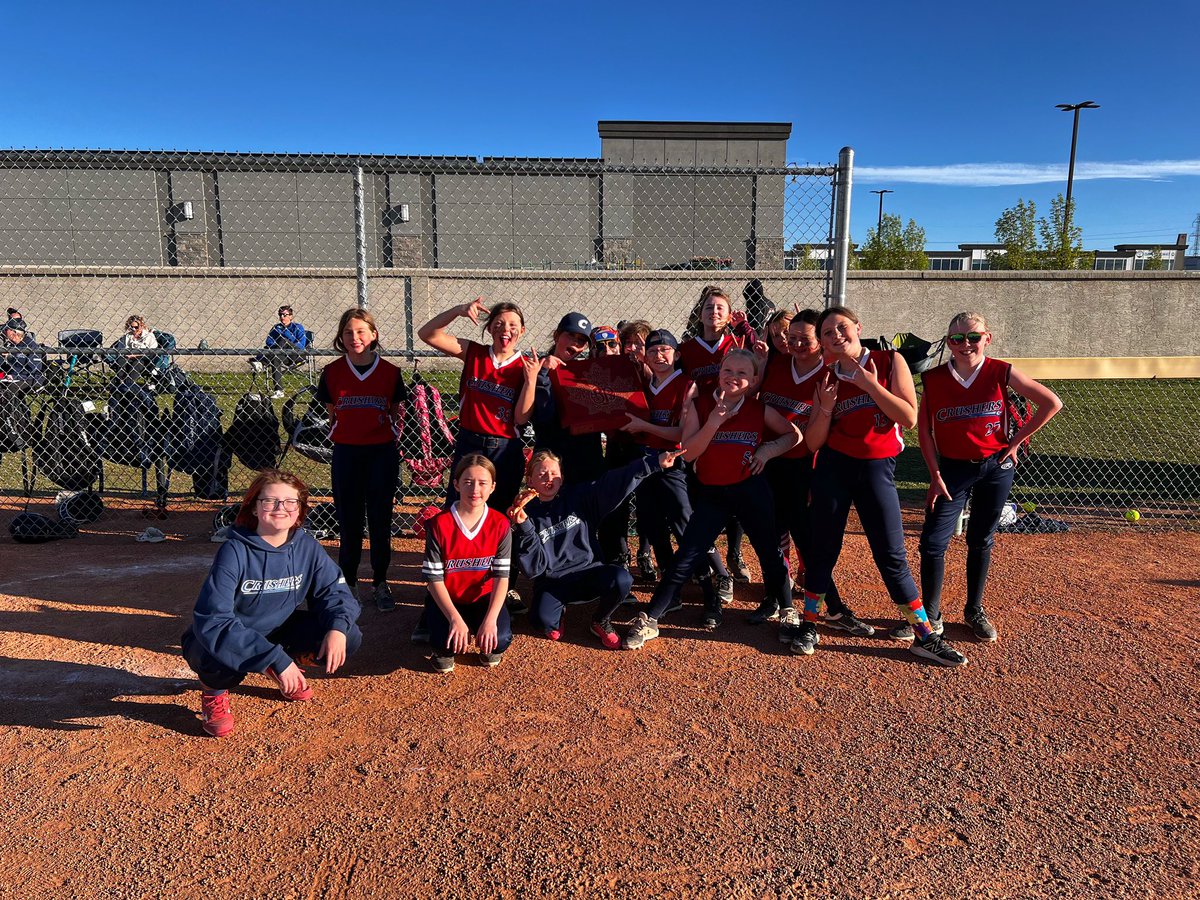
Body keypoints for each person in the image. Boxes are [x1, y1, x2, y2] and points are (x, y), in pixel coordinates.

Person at [798, 306, 968, 666]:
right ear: (823, 342)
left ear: (858, 327)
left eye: (841, 327)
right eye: (828, 333)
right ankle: (809, 622)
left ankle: (924, 635)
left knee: (890, 554)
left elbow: (907, 417)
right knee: (822, 548)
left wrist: (870, 385)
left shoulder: (890, 362)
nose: (836, 336)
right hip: (834, 467)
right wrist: (826, 407)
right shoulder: (826, 378)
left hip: (876, 468)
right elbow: (813, 443)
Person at [894, 311, 1063, 643]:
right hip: (953, 469)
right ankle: (931, 617)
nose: (965, 344)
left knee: (981, 539)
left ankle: (974, 610)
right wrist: (934, 473)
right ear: (948, 343)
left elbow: (1051, 403)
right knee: (932, 544)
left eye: (973, 337)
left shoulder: (1001, 372)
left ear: (988, 338)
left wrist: (1015, 443)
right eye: (956, 339)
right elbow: (925, 432)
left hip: (995, 466)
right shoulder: (935, 378)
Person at [622, 349, 799, 650]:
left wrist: (766, 452)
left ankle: (787, 610)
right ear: (719, 372)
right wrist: (714, 422)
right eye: (728, 370)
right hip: (713, 493)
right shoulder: (701, 405)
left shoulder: (758, 408)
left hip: (750, 489)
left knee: (769, 551)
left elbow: (793, 435)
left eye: (743, 373)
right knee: (688, 552)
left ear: (754, 379)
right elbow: (689, 453)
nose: (734, 377)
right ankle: (650, 617)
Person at [180, 470, 362, 738]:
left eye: (290, 502)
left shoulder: (307, 547)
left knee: (348, 635)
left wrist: (337, 627)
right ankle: (214, 691)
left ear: (299, 510)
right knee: (213, 654)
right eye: (270, 501)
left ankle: (280, 666)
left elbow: (335, 593)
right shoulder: (235, 551)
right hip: (236, 632)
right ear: (254, 507)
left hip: (279, 628)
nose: (281, 508)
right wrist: (274, 657)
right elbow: (213, 620)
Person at [758, 310, 875, 636]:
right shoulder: (776, 364)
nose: (794, 343)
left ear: (820, 342)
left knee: (808, 541)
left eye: (803, 339)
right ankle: (777, 599)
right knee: (772, 533)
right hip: (770, 462)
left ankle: (834, 608)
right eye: (789, 337)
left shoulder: (829, 374)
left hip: (806, 466)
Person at [512, 446, 677, 649]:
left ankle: (600, 620)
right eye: (542, 474)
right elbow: (534, 569)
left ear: (562, 478)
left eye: (554, 473)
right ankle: (558, 610)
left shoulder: (578, 498)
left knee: (622, 579)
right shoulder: (526, 515)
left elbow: (613, 483)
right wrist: (525, 527)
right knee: (542, 623)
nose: (549, 478)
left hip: (588, 572)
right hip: (553, 582)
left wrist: (653, 463)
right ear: (530, 481)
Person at [619, 328, 730, 603]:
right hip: (646, 462)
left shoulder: (686, 384)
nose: (659, 354)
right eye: (653, 350)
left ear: (676, 354)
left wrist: (645, 426)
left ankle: (712, 589)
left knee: (684, 522)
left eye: (665, 349)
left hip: (672, 463)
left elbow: (682, 433)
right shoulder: (644, 385)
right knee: (652, 523)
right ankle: (673, 593)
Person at [316, 308, 406, 612]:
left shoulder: (391, 372)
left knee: (380, 521)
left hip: (381, 452)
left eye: (361, 331)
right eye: (348, 332)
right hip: (347, 453)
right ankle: (350, 581)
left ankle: (381, 581)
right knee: (349, 521)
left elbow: (394, 412)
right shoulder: (331, 371)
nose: (355, 338)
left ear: (373, 334)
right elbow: (332, 413)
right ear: (341, 338)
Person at [418, 297, 537, 514]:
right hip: (469, 443)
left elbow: (521, 419)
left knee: (500, 515)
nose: (506, 330)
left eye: (513, 325)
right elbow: (427, 334)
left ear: (522, 331)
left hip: (505, 448)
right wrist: (458, 309)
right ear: (490, 327)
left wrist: (530, 381)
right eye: (499, 324)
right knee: (458, 510)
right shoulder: (474, 352)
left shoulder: (526, 366)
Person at [679, 285, 754, 588]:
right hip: (702, 427)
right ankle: (708, 562)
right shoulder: (687, 349)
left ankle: (735, 555)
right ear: (700, 313)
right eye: (709, 307)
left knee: (735, 491)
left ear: (728, 313)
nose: (714, 312)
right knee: (702, 496)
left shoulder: (736, 344)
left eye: (720, 307)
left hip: (735, 426)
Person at [421, 454, 514, 673]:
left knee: (499, 639)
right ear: (456, 484)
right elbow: (433, 579)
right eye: (468, 482)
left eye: (483, 483)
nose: (475, 489)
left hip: (483, 598)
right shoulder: (438, 524)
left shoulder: (500, 524)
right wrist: (454, 619)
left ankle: (483, 630)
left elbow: (502, 577)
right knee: (445, 644)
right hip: (450, 598)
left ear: (492, 487)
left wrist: (491, 621)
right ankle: (435, 623)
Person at [531, 311, 604, 485]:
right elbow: (543, 417)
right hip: (552, 453)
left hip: (585, 458)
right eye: (570, 335)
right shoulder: (536, 368)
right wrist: (543, 373)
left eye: (581, 341)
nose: (575, 343)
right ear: (557, 335)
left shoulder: (586, 373)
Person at [253, 305, 310, 399]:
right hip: (281, 355)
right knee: (276, 358)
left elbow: (301, 345)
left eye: (285, 315)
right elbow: (269, 342)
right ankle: (279, 391)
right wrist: (278, 342)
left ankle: (262, 362)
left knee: (283, 340)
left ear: (291, 316)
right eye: (280, 315)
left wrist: (285, 334)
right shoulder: (276, 327)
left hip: (297, 354)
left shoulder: (298, 327)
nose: (282, 317)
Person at [0, 317, 44, 391]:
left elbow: (34, 369)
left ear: (13, 332)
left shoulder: (31, 346)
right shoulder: (10, 345)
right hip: (12, 377)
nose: (4, 331)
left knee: (10, 387)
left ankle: (14, 402)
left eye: (6, 330)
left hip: (29, 378)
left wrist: (15, 376)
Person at [112, 314, 159, 381]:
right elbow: (121, 349)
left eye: (136, 327)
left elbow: (152, 352)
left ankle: (129, 384)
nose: (133, 329)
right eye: (131, 327)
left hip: (144, 359)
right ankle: (120, 381)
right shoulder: (127, 336)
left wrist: (136, 355)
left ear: (141, 326)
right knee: (121, 360)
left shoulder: (149, 336)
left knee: (137, 363)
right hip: (128, 357)